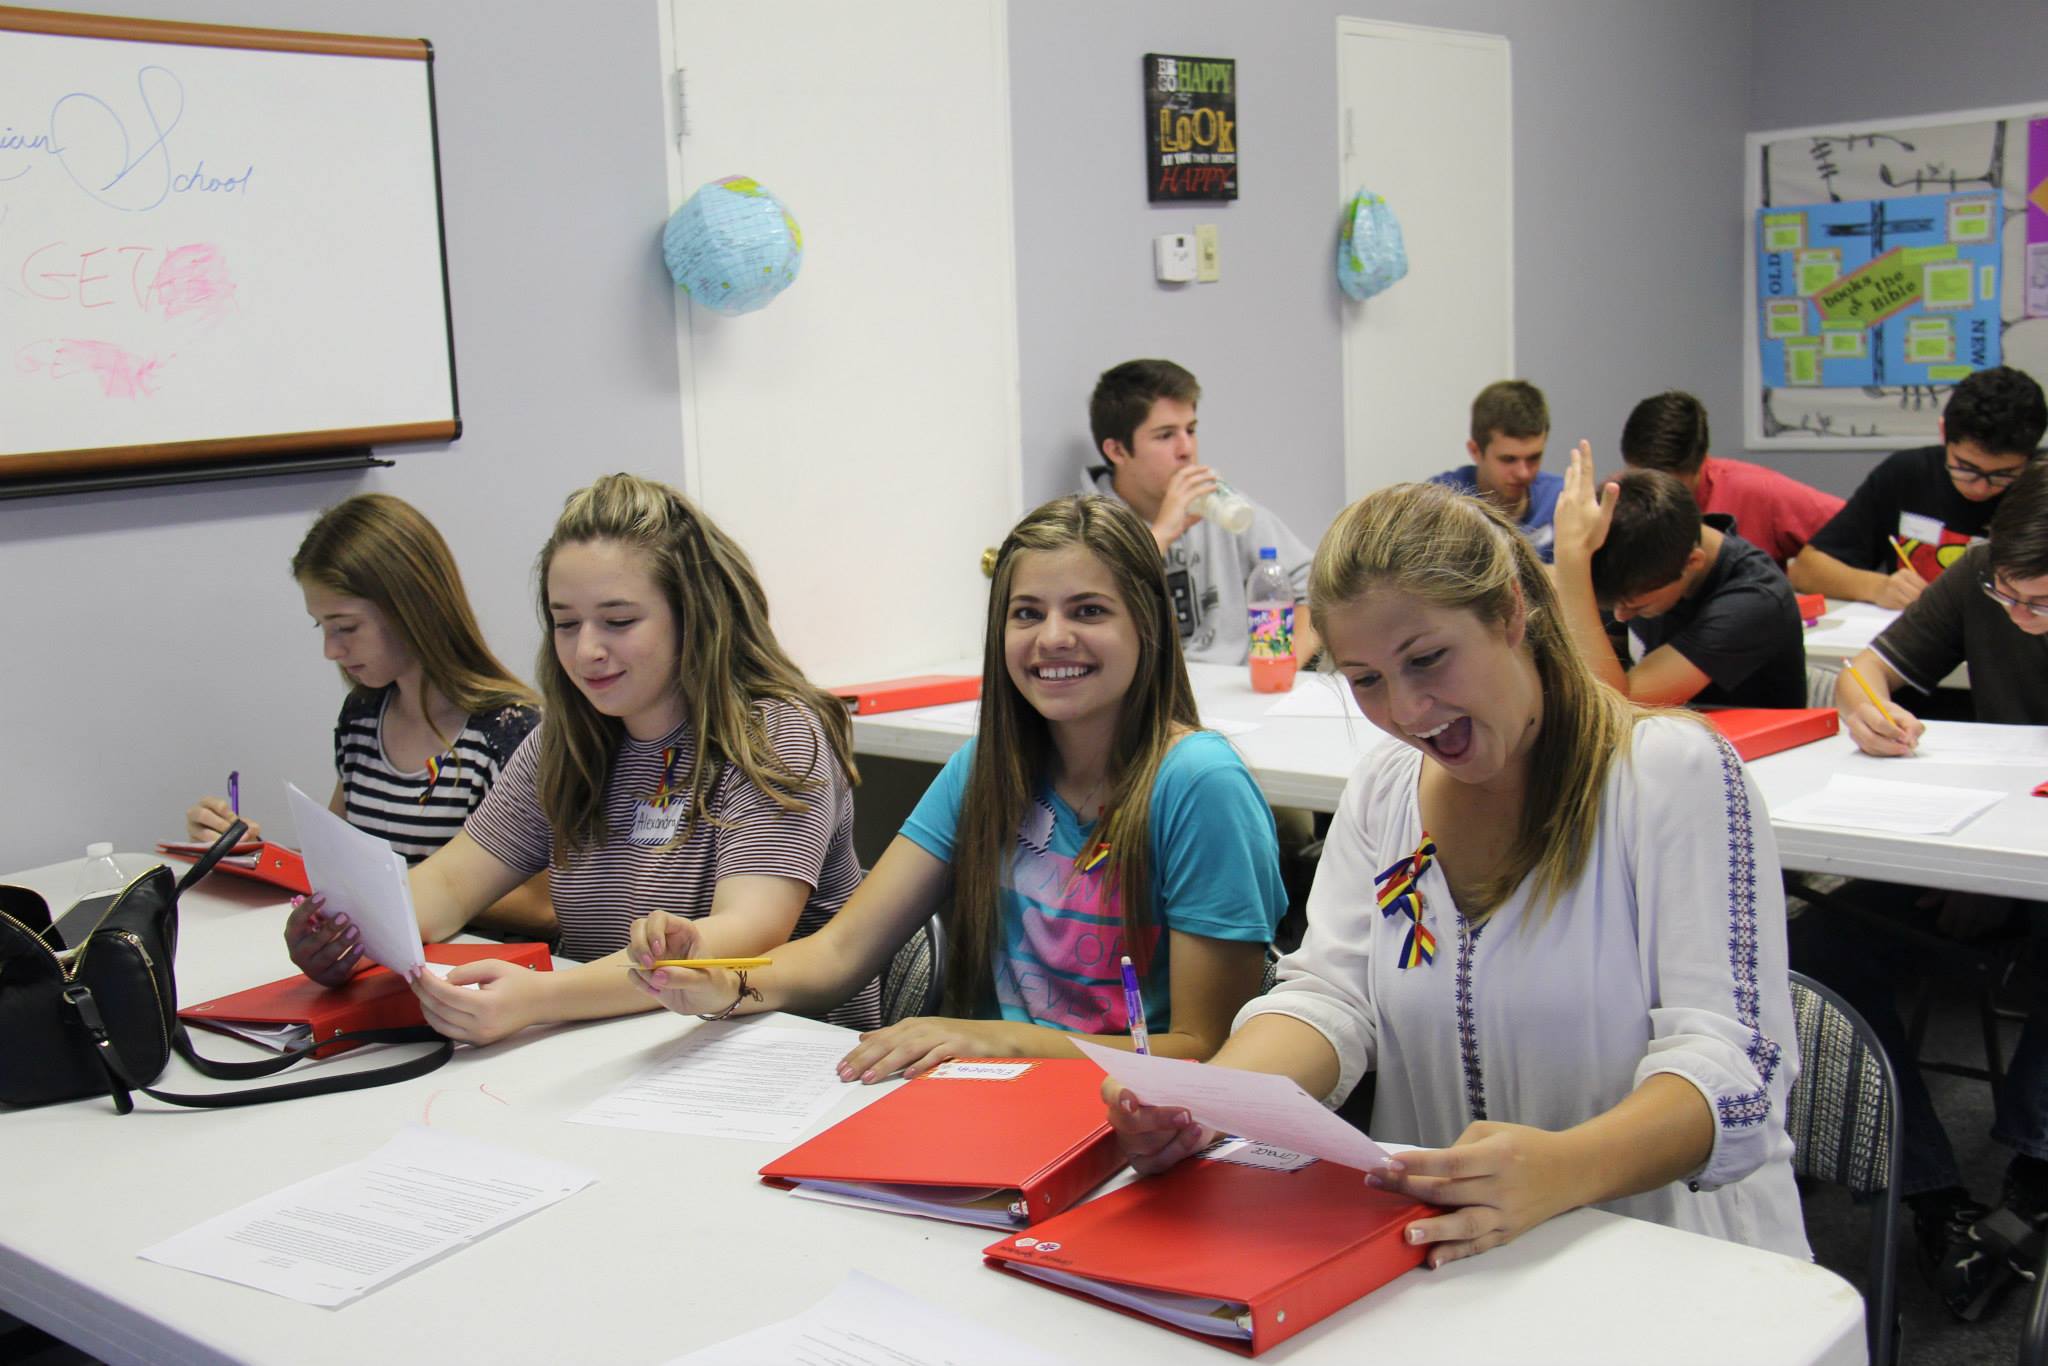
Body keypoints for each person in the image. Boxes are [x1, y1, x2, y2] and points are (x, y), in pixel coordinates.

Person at [1105, 480, 1809, 1266]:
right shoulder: (1385, 789)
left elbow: (1736, 1074)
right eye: (1365, 679)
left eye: (1427, 659)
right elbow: (1331, 998)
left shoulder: (1669, 775)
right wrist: (1210, 1104)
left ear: (1510, 613)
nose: (1407, 711)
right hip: (1451, 1255)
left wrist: (1561, 1170)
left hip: (1676, 1266)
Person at [629, 494, 1286, 1079]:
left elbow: (1202, 1051)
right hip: (997, 1096)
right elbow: (838, 952)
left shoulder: (1199, 785)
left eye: (1088, 610)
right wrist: (720, 980)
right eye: (1027, 613)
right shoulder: (988, 769)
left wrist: (1003, 1041)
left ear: (1147, 624)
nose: (1054, 637)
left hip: (1140, 1118)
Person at [284, 473, 876, 1042]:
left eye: (618, 621)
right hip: (623, 1044)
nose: (586, 649)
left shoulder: (774, 733)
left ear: (695, 616)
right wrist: (351, 928)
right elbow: (451, 882)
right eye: (565, 624)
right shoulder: (565, 741)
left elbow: (744, 934)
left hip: (783, 1055)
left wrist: (539, 1000)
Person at [1793, 459, 2048, 1319]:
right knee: (1814, 948)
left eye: (2039, 604)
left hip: (2021, 862)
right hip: (1981, 847)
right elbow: (1865, 672)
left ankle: (2033, 1182)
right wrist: (1866, 707)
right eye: (2009, 597)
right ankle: (1933, 1193)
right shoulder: (1981, 576)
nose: (2018, 618)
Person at [184, 493, 549, 937]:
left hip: (471, 966)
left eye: (346, 627)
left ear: (412, 609)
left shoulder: (510, 730)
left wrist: (397, 888)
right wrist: (252, 854)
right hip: (385, 956)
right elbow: (337, 859)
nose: (330, 650)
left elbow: (542, 906)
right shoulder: (364, 714)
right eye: (322, 626)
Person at [1080, 359, 1319, 666]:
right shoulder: (1082, 521)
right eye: (1165, 435)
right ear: (1117, 451)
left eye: (1190, 430)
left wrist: (1282, 666)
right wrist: (1161, 534)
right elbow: (1087, 607)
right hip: (1141, 688)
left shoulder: (1219, 505)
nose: (1186, 449)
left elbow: (1317, 588)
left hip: (1234, 685)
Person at [1552, 447, 1806, 708]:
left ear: (1693, 562)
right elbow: (1593, 660)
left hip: (1749, 734)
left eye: (1638, 606)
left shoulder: (1755, 600)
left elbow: (1617, 701)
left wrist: (1570, 561)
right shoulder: (1639, 559)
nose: (1621, 616)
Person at [1789, 365, 2045, 607]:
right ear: (1943, 432)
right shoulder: (1907, 474)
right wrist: (1877, 587)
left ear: (2030, 455)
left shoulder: (2040, 490)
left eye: (2002, 474)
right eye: (1966, 468)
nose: (1980, 488)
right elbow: (1805, 570)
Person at [1618, 390, 1842, 570]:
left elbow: (1855, 531)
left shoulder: (1757, 490)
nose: (1652, 493)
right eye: (1641, 476)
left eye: (1669, 482)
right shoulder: (1619, 498)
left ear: (1700, 462)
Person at [1430, 379, 1562, 563]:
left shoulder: (1561, 499)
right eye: (1508, 459)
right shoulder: (1440, 503)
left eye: (1533, 458)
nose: (1523, 473)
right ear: (1475, 451)